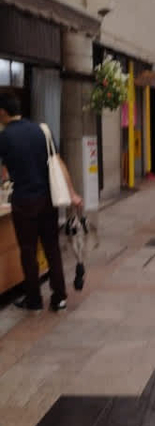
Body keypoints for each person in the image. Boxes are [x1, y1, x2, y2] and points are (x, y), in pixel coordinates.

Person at [0, 90, 82, 312]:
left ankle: (34, 300)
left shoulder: (5, 137)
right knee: (52, 248)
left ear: (3, 112)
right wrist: (72, 193)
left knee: (28, 251)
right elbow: (59, 163)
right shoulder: (41, 130)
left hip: (24, 202)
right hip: (47, 200)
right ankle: (59, 297)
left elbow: (4, 171)